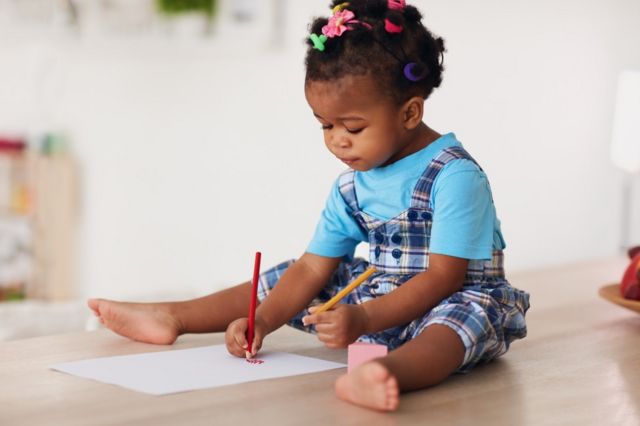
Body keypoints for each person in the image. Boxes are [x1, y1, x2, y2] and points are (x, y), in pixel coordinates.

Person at [88, 0, 530, 412]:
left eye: (353, 127)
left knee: (457, 322)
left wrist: (364, 317)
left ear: (410, 113)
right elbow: (313, 268)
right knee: (287, 275)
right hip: (379, 302)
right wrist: (263, 321)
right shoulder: (352, 186)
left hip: (448, 299)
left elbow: (442, 278)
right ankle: (173, 317)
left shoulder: (454, 176)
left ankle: (384, 373)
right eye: (325, 125)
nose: (337, 140)